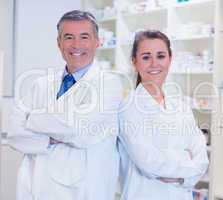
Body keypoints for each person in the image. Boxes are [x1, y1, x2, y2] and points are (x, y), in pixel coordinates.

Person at [7, 10, 123, 200]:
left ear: (97, 42)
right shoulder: (40, 84)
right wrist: (50, 139)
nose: (76, 45)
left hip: (79, 191)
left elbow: (79, 130)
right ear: (59, 43)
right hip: (33, 187)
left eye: (84, 37)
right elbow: (13, 133)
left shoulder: (109, 85)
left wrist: (32, 120)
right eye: (68, 37)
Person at [118, 30, 209, 200]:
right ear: (134, 62)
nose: (154, 64)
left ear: (170, 59)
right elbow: (148, 161)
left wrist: (179, 170)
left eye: (160, 56)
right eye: (146, 57)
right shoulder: (128, 108)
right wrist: (184, 159)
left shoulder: (181, 106)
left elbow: (202, 159)